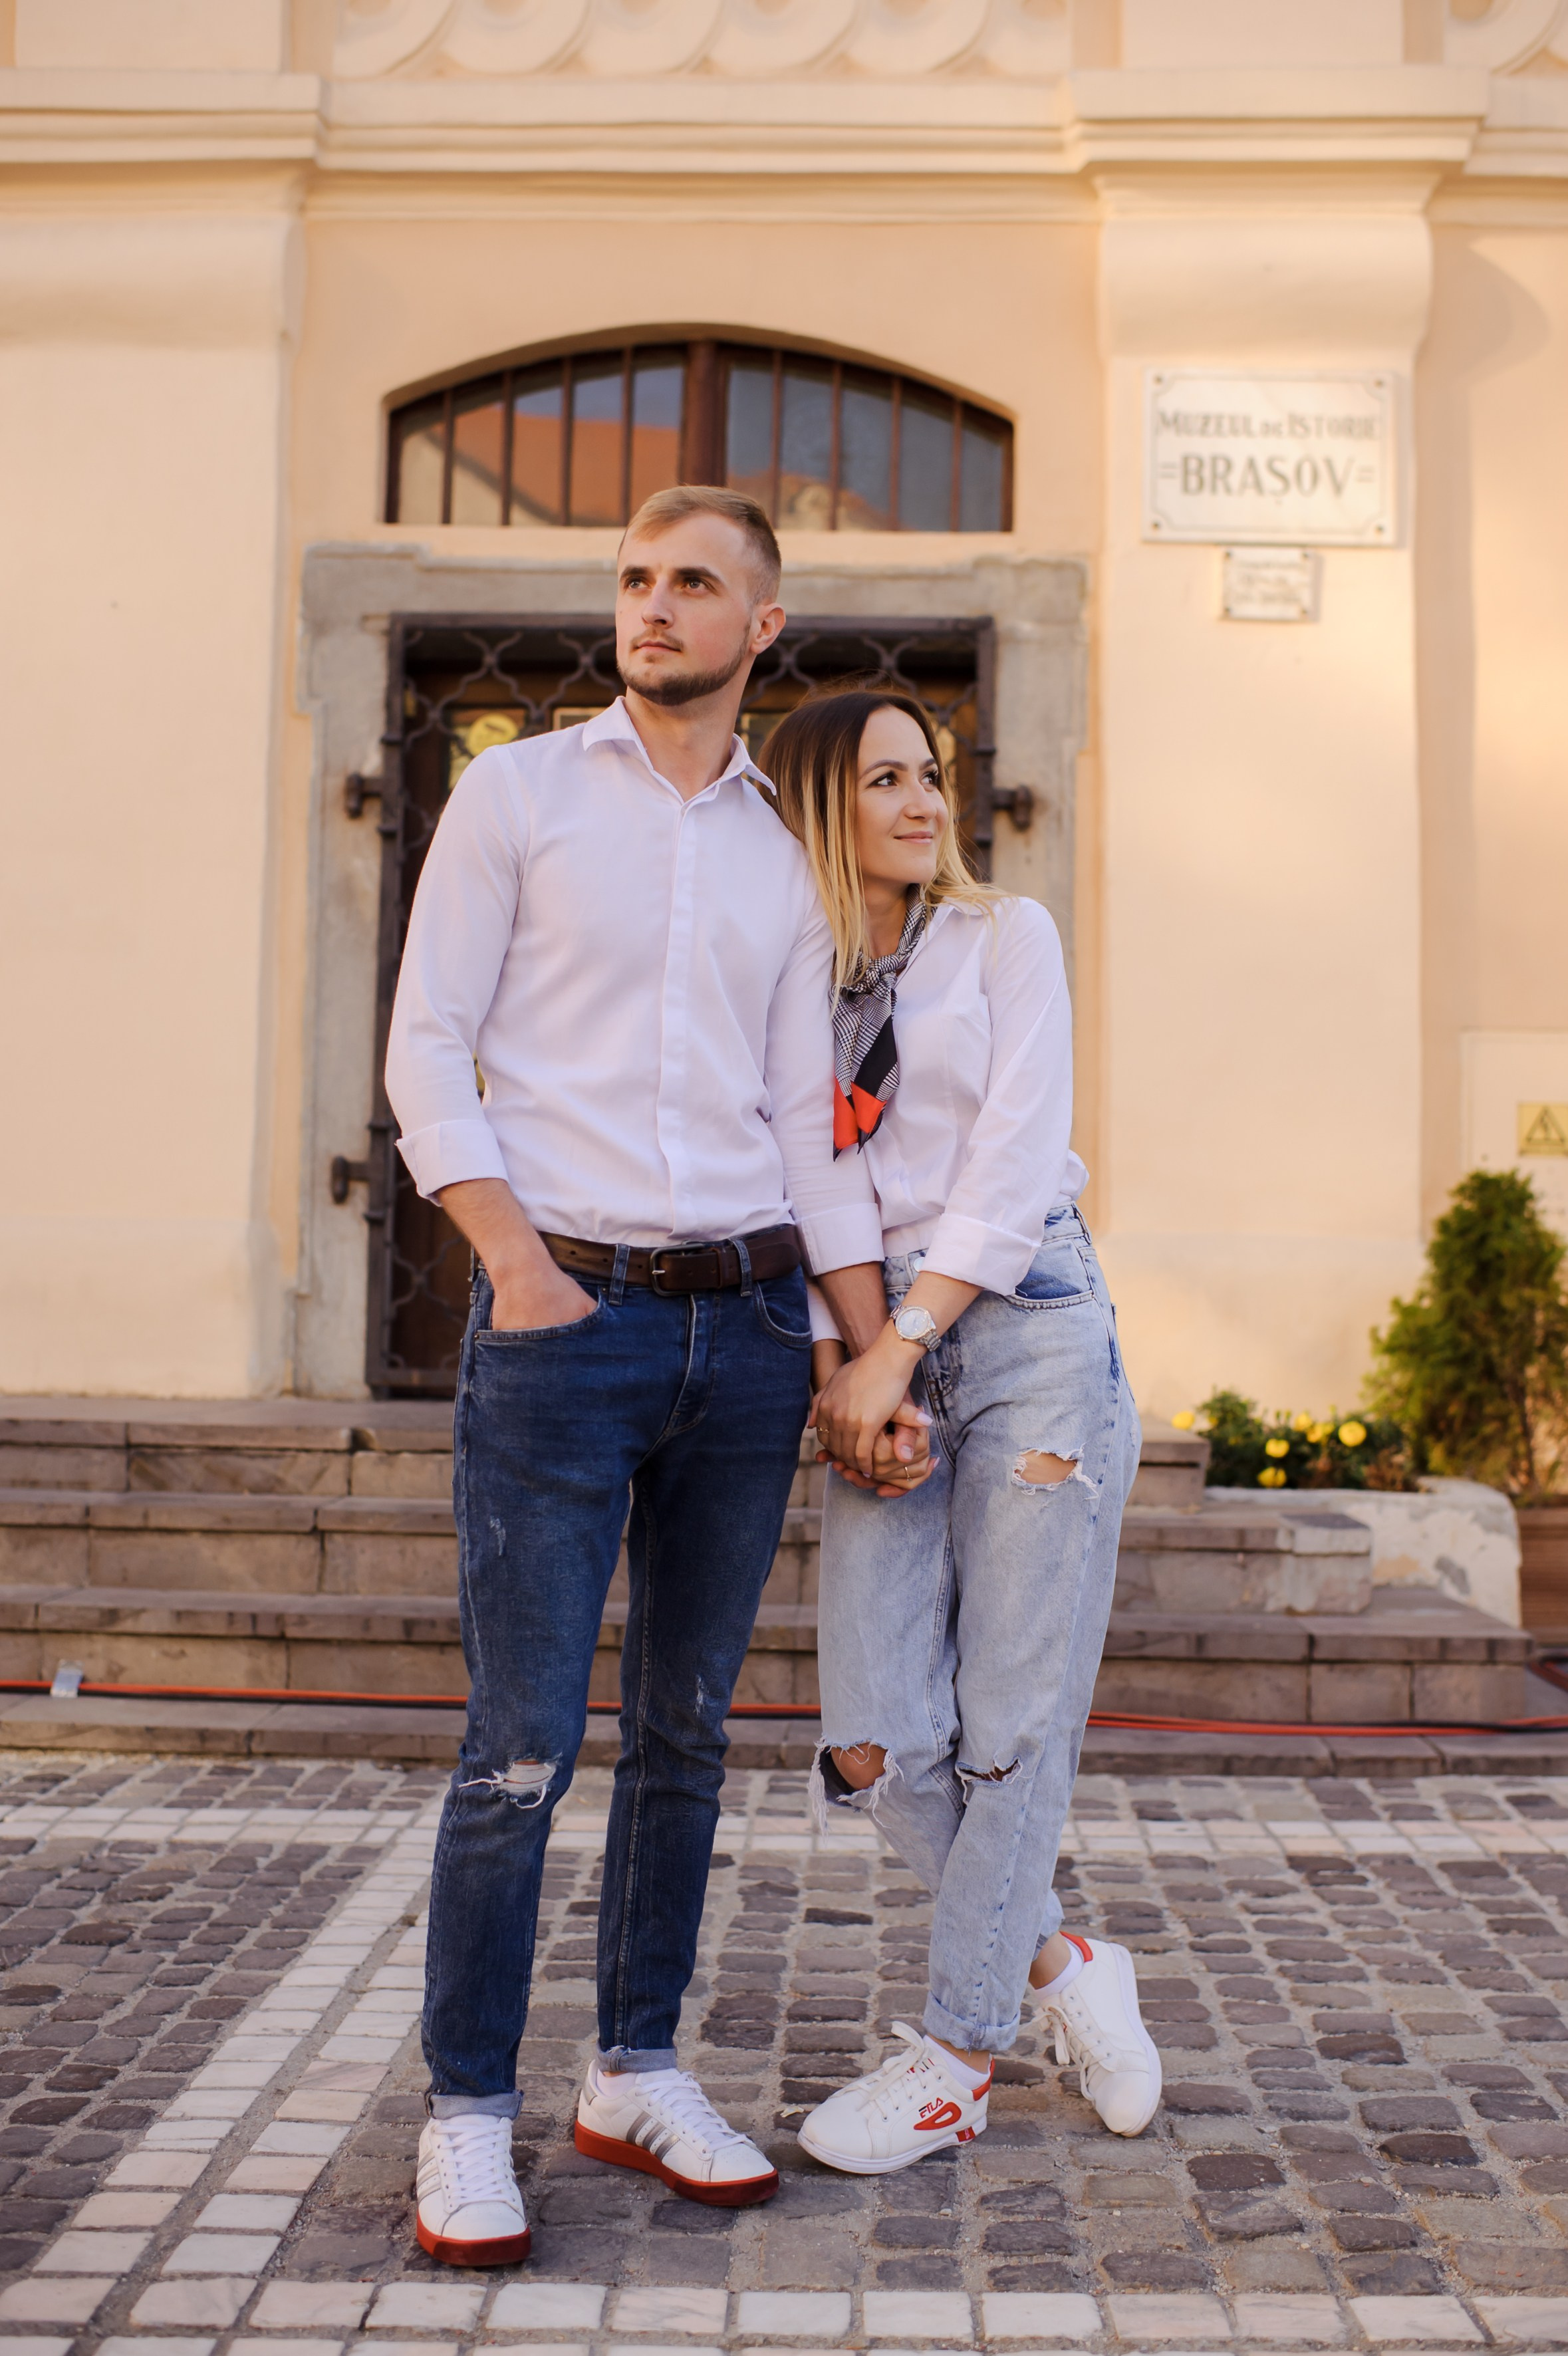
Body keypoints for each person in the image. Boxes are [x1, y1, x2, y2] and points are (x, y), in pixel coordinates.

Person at [383, 490, 923, 2264]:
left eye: (694, 582)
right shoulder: (517, 795)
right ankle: (469, 2109)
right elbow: (427, 1046)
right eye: (634, 579)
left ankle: (632, 2068)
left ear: (762, 624)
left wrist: (857, 1346)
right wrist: (512, 1260)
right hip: (565, 1322)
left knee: (685, 1734)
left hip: (747, 1333)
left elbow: (802, 1122)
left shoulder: (786, 844)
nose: (654, 605)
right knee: (522, 1745)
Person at [762, 686, 1159, 2176]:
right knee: (872, 1736)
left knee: (1012, 1718)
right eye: (884, 779)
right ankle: (1061, 1961)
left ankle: (956, 2055)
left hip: (1026, 1318)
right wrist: (854, 1365)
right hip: (877, 1330)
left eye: (930, 773)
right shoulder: (791, 976)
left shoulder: (1007, 938)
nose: (925, 801)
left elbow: (1009, 1156)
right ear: (820, 803)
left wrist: (900, 1348)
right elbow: (810, 1177)